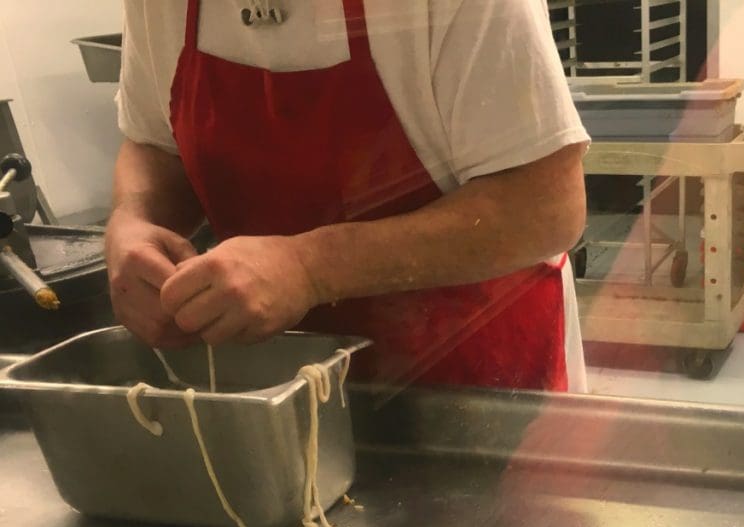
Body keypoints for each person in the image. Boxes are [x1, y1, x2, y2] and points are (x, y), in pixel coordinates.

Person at [108, 0, 590, 391]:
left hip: (473, 383)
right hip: (274, 388)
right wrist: (135, 219)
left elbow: (544, 205)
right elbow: (156, 144)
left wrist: (309, 268)